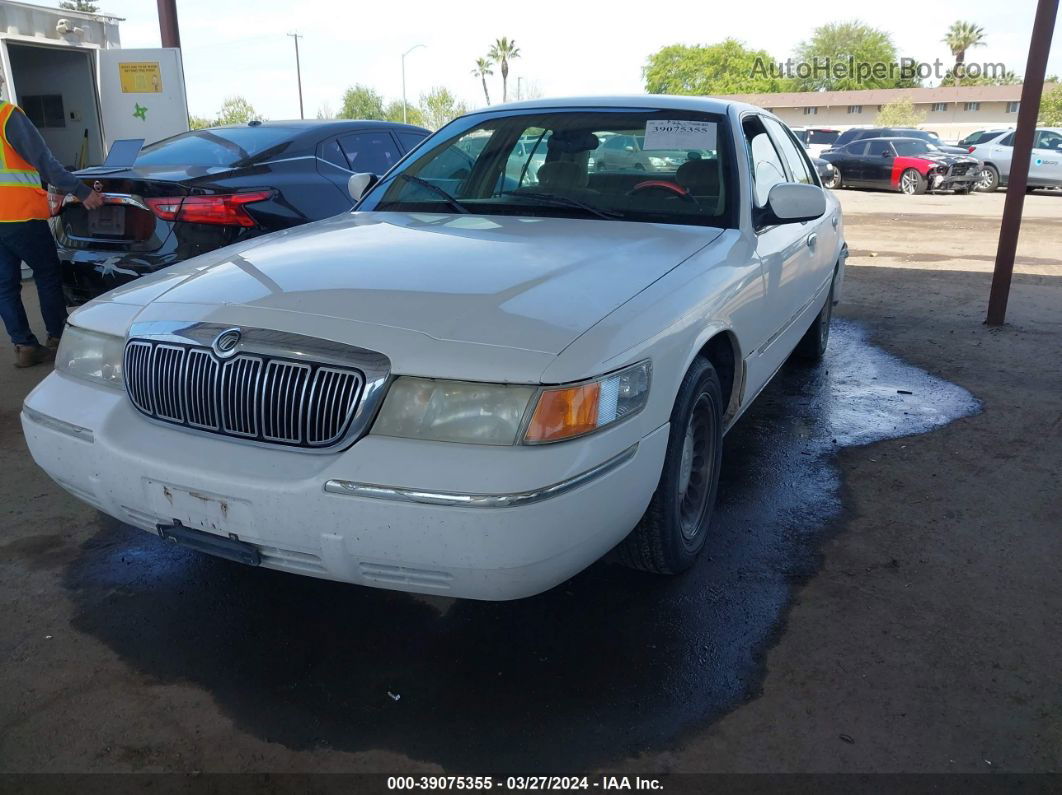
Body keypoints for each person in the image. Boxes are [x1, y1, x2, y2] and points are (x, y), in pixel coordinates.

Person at [0, 92, 103, 368]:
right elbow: (44, 161)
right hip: (19, 215)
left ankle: (24, 346)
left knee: (4, 286)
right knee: (46, 274)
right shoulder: (7, 115)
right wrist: (81, 191)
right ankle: (58, 338)